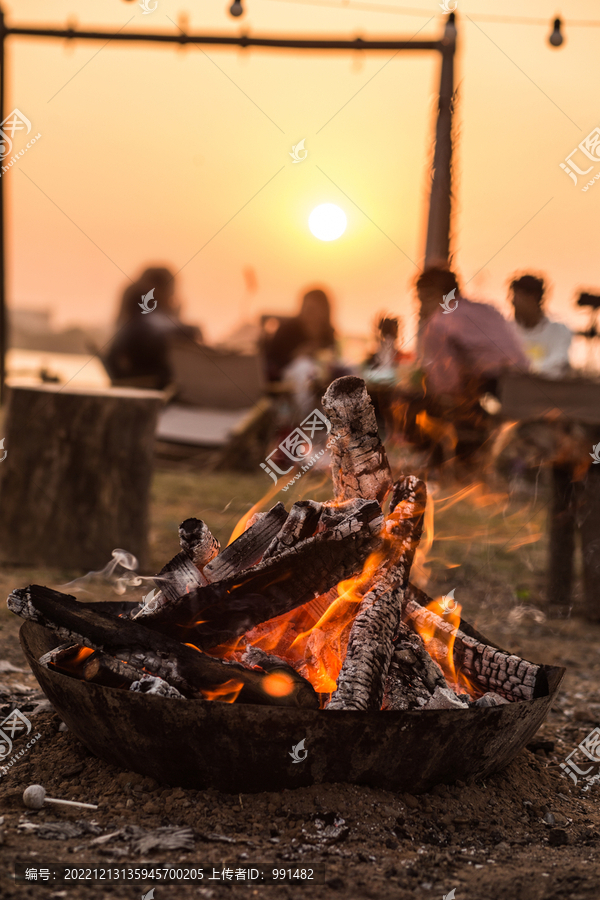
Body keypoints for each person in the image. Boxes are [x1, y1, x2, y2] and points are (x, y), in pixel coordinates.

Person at [417, 266, 529, 402]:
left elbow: (446, 384)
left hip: (491, 391)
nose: (420, 310)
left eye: (422, 301)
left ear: (433, 294)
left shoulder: (438, 323)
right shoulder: (489, 309)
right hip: (525, 386)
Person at [105, 267, 202, 390]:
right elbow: (155, 325)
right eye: (171, 291)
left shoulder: (136, 307)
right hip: (143, 379)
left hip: (132, 374)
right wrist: (184, 325)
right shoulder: (145, 305)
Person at [264, 288, 336, 383]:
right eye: (305, 308)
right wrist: (297, 355)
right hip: (289, 378)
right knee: (304, 366)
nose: (307, 314)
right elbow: (271, 362)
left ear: (324, 311)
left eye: (312, 309)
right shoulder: (287, 329)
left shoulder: (328, 333)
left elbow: (332, 358)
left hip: (320, 376)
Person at [510, 274, 572, 378]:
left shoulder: (559, 331)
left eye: (517, 297)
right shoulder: (507, 330)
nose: (513, 303)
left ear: (533, 297)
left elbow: (558, 364)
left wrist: (522, 370)